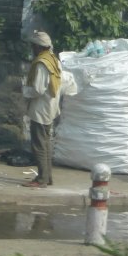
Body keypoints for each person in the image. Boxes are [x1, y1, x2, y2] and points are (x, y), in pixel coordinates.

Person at [21, 30, 76, 188]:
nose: (32, 49)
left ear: (38, 47)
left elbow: (37, 89)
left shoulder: (41, 63)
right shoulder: (54, 60)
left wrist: (24, 91)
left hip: (40, 109)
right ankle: (47, 177)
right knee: (46, 144)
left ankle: (42, 180)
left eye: (33, 46)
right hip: (51, 107)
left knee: (39, 145)